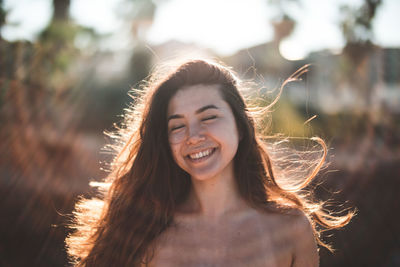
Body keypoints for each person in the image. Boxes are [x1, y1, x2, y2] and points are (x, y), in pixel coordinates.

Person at [66, 59, 353, 266]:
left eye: (209, 117)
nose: (193, 136)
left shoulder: (290, 228)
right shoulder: (142, 230)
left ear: (240, 126)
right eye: (177, 126)